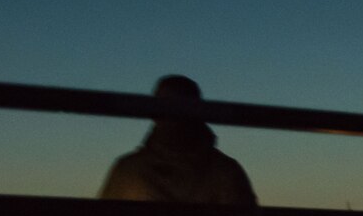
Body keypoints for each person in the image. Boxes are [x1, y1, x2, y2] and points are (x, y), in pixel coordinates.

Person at [99, 75, 257, 205]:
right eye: (162, 106)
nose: (170, 115)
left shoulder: (128, 170)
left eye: (177, 106)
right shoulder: (128, 171)